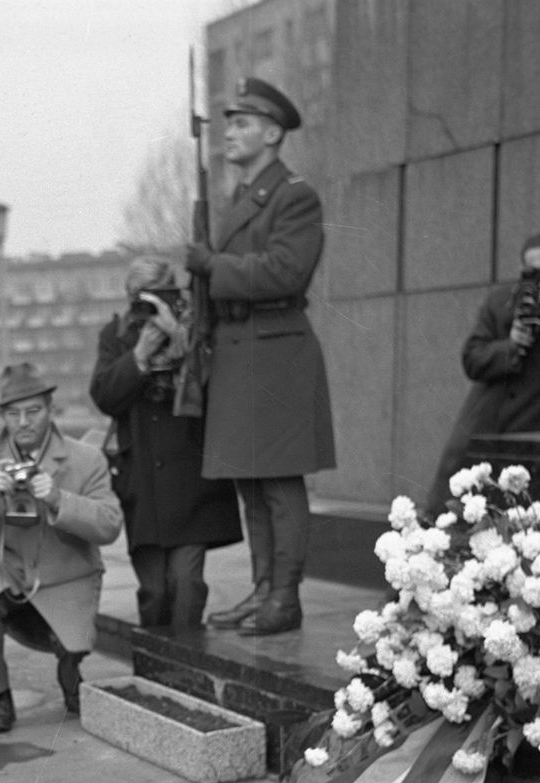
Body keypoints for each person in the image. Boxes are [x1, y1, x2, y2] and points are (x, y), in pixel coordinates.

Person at [185, 77, 335, 636]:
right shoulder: (240, 199)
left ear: (273, 133)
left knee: (277, 483)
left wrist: (210, 266)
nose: (230, 132)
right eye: (229, 123)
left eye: (243, 123)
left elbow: (285, 271)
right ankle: (262, 590)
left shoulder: (294, 195)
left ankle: (285, 596)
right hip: (239, 350)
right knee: (251, 484)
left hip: (274, 347)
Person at [0, 364, 122, 731]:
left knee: (73, 646)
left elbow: (110, 524)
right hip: (6, 575)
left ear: (51, 411)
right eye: (13, 413)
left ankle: (70, 669)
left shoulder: (86, 459)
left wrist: (58, 499)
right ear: (1, 416)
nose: (24, 422)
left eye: (34, 411)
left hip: (66, 575)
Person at [90, 258, 243, 631]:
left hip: (191, 481)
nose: (149, 309)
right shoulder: (116, 335)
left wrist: (182, 341)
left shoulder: (197, 329)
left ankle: (188, 660)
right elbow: (105, 396)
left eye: (161, 297)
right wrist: (139, 355)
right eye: (140, 299)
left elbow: (219, 391)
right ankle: (155, 666)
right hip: (142, 482)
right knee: (155, 590)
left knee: (187, 583)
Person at [425, 233, 540, 513]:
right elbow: (471, 360)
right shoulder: (500, 304)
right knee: (458, 518)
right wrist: (510, 346)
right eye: (534, 271)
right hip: (487, 429)